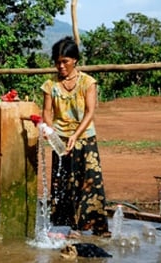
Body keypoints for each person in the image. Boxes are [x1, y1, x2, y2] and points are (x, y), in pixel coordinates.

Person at [40, 36, 110, 238]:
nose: (60, 66)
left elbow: (89, 112)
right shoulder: (50, 85)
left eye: (65, 62)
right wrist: (51, 132)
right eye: (57, 62)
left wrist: (75, 135)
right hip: (60, 139)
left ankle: (96, 226)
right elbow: (47, 112)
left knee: (90, 181)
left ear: (75, 61)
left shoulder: (88, 82)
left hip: (85, 138)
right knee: (62, 183)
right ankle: (67, 227)